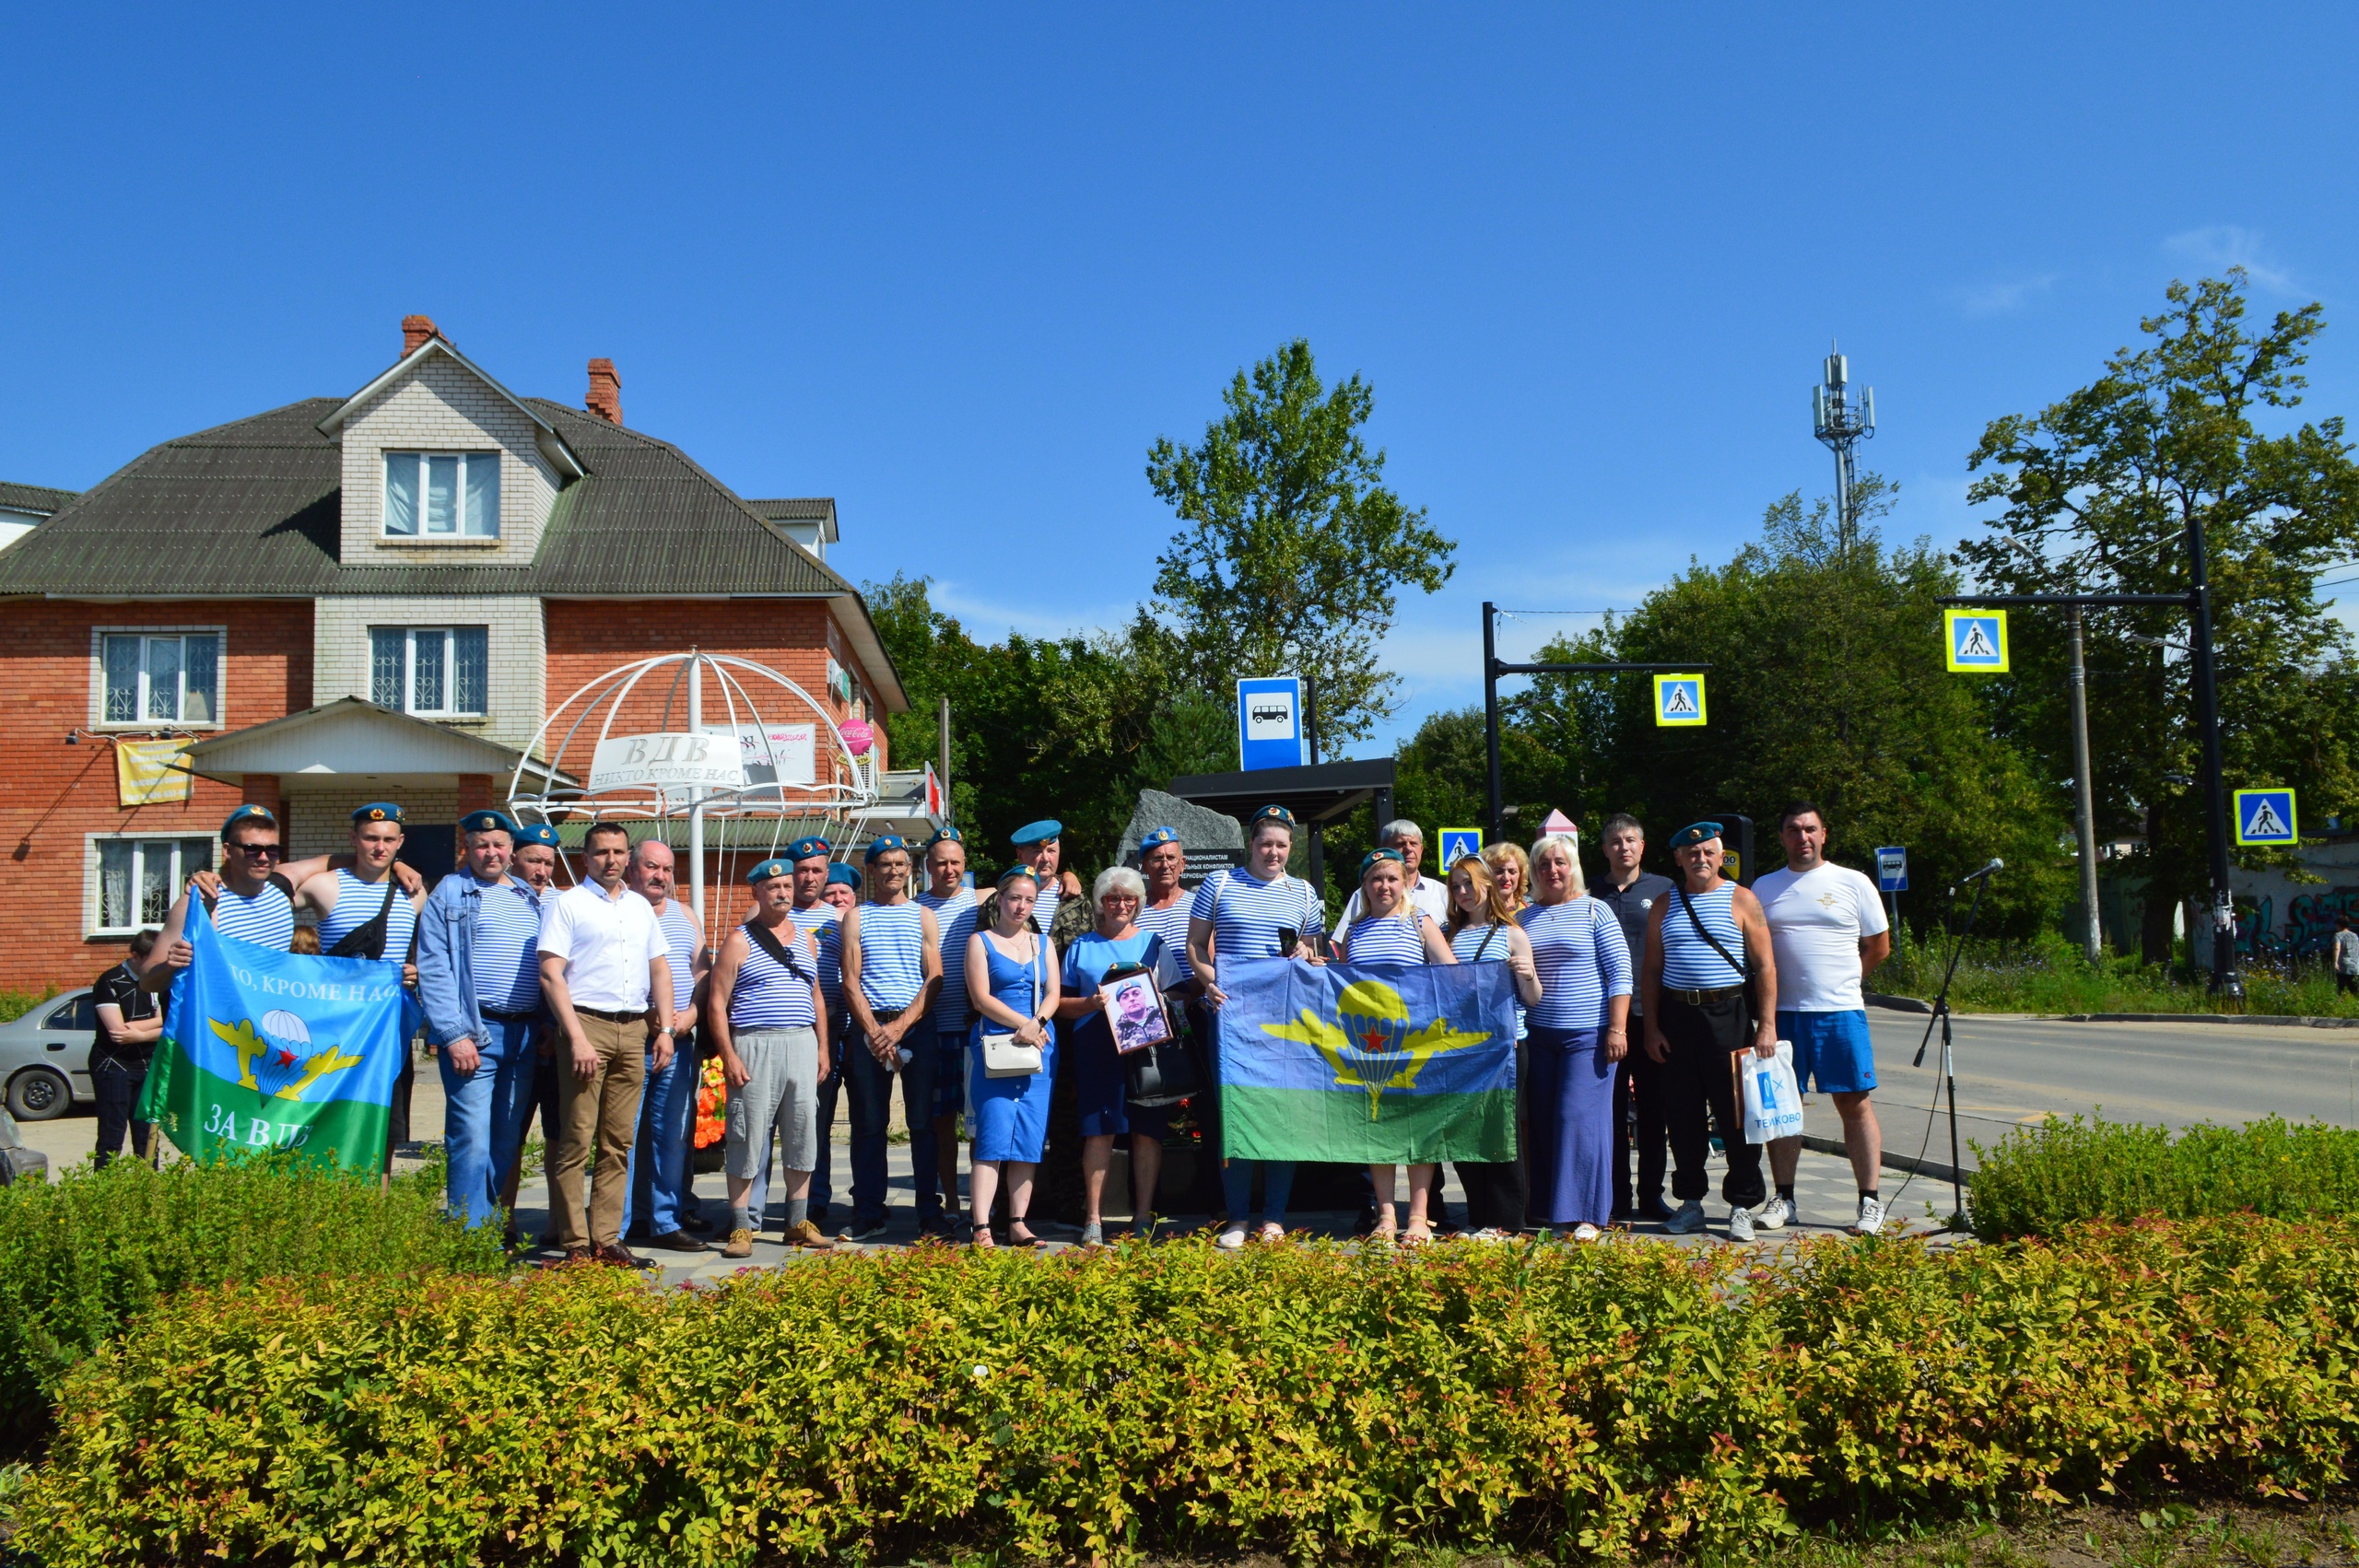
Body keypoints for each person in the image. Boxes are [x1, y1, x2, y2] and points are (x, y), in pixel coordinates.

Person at [537, 820, 675, 1268]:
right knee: (577, 1140)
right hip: (586, 1026)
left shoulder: (639, 907)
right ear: (585, 858)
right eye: (601, 853)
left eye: (618, 852)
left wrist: (667, 1030)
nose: (611, 860)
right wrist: (575, 1038)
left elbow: (660, 969)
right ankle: (575, 1243)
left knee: (619, 1142)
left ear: (627, 857)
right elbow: (550, 972)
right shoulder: (568, 904)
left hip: (634, 1029)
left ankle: (606, 1239)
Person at [1188, 803, 1325, 1250]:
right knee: (1237, 1112)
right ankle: (1237, 1217)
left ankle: (1275, 1217)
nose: (1273, 851)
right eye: (1266, 843)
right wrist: (1209, 983)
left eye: (1282, 844)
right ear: (1252, 843)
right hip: (1231, 1017)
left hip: (1284, 1022)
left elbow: (1309, 951)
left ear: (1291, 847)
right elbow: (1195, 946)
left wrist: (1306, 955)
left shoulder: (1305, 893)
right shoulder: (1219, 883)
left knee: (1282, 1113)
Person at [1753, 802, 1894, 1236]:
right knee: (1782, 1109)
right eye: (1793, 830)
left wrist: (1846, 982)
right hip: (1782, 1016)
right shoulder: (1764, 886)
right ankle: (1785, 1198)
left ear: (1824, 834)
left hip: (1840, 1013)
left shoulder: (1853, 882)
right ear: (1781, 837)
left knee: (1854, 1104)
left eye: (1810, 829)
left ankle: (1869, 1202)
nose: (1803, 838)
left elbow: (1878, 946)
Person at [1640, 822, 1778, 1242]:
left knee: (1737, 1118)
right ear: (1678, 859)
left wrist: (1766, 1026)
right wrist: (1651, 1027)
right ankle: (1691, 1203)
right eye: (1691, 853)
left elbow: (1766, 966)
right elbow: (1651, 970)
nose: (1700, 859)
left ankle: (1741, 1204)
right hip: (1678, 1018)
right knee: (1683, 1118)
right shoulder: (1664, 905)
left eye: (1708, 852)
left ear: (1721, 857)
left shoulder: (1743, 899)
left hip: (1729, 1015)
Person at [416, 809, 547, 1230]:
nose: (491, 852)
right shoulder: (451, 893)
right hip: (476, 1033)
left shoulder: (528, 896)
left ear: (511, 850)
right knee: (471, 1137)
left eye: (499, 845)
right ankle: (469, 1238)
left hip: (525, 1034)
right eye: (481, 845)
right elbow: (434, 968)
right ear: (467, 849)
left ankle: (482, 1224)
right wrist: (453, 1034)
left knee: (505, 1141)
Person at [138, 804, 425, 985]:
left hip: (272, 1028)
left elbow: (334, 860)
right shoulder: (200, 900)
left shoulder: (280, 886)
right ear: (228, 850)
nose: (263, 858)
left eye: (272, 850)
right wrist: (170, 966)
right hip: (220, 1031)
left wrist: (397, 863)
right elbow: (148, 979)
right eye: (252, 849)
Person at [706, 858, 835, 1257]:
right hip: (754, 1044)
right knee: (746, 1136)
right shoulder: (739, 940)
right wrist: (728, 1054)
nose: (782, 893)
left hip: (800, 1043)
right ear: (757, 892)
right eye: (772, 887)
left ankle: (797, 1221)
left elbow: (816, 997)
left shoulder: (808, 940)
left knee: (802, 1134)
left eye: (786, 887)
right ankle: (742, 1226)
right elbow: (715, 1003)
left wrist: (822, 1047)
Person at [1336, 847, 1459, 1242]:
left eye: (1392, 878)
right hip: (1368, 1046)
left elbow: (1451, 973)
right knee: (1378, 1129)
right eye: (1376, 879)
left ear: (1405, 882)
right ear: (1365, 886)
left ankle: (1419, 1218)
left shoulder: (1419, 921)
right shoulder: (1355, 930)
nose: (1384, 885)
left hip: (1413, 1042)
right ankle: (1387, 1218)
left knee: (1420, 1129)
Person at [1516, 835, 1632, 1242]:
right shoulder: (1524, 917)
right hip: (1540, 1036)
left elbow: (1621, 972)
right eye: (1544, 864)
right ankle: (1552, 1211)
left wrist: (1617, 1029)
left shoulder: (1594, 910)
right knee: (1545, 1124)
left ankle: (1588, 1214)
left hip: (1589, 1036)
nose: (1552, 871)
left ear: (1573, 866)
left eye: (1560, 863)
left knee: (1578, 1122)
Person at [299, 803, 428, 1160]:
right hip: (335, 1027)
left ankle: (377, 1209)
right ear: (354, 838)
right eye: (370, 838)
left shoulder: (415, 893)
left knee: (385, 1126)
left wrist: (418, 973)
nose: (379, 847)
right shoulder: (324, 885)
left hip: (389, 1027)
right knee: (329, 1121)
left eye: (388, 840)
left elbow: (429, 955)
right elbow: (268, 883)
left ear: (401, 841)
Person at [1055, 865, 1171, 1245]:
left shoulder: (1154, 943)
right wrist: (1090, 1003)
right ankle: (1093, 1221)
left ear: (1138, 903)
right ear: (1100, 903)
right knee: (1099, 1134)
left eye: (1128, 898)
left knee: (1147, 1134)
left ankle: (1141, 1218)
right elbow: (1059, 1004)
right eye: (1112, 898)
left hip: (1145, 1052)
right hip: (1096, 1049)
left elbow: (1183, 992)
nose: (1120, 904)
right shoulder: (1082, 947)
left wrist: (1164, 1002)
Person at [838, 835, 944, 1241]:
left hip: (915, 1025)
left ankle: (928, 1213)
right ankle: (868, 1211)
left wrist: (899, 1028)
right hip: (869, 1028)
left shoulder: (923, 916)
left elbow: (934, 978)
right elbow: (850, 980)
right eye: (886, 864)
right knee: (868, 1124)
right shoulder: (856, 917)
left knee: (922, 1124)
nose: (894, 871)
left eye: (901, 864)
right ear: (872, 870)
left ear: (910, 870)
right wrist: (875, 1032)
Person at [1442, 854, 1543, 1237]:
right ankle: (1478, 1216)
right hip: (1463, 1051)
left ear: (1487, 884)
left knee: (1502, 1134)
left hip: (1506, 1049)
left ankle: (1505, 1222)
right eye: (1456, 886)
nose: (1463, 892)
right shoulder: (1449, 934)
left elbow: (1533, 998)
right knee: (1467, 1135)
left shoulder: (1513, 934)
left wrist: (1529, 974)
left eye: (1469, 883)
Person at [622, 838, 713, 1252]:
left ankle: (664, 1220)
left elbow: (702, 972)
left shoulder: (685, 913)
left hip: (678, 1041)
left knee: (670, 1133)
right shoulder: (618, 908)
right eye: (650, 867)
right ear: (631, 868)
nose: (659, 876)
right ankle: (617, 1227)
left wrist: (691, 1015)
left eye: (667, 869)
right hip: (631, 1037)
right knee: (623, 1134)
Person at [966, 864, 1060, 1247]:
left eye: (1029, 900)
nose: (1021, 906)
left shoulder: (1044, 943)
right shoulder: (980, 941)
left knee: (1028, 1138)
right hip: (996, 1046)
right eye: (1015, 898)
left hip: (1039, 1047)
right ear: (1000, 900)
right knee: (992, 1136)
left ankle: (1019, 1221)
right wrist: (1024, 1023)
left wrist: (1037, 1022)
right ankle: (981, 1226)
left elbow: (1053, 992)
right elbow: (981, 998)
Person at [1591, 813, 1675, 1222]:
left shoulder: (1665, 889)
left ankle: (1651, 1194)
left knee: (1653, 1110)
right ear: (1605, 849)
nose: (1623, 847)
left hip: (1652, 1015)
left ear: (1642, 847)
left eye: (1631, 840)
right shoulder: (1590, 891)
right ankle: (1615, 1195)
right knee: (1609, 1110)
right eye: (1615, 841)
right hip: (1603, 1020)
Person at [497, 822, 567, 1236]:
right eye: (533, 861)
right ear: (513, 858)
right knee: (512, 1132)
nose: (541, 870)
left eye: (548, 862)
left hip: (558, 1036)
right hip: (515, 1032)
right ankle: (503, 1222)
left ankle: (560, 1225)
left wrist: (554, 1025)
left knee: (561, 1134)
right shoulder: (499, 898)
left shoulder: (564, 903)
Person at [918, 828, 980, 1231]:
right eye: (941, 862)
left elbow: (1032, 888)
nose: (949, 869)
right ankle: (951, 1200)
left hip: (975, 1030)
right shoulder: (913, 907)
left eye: (956, 861)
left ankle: (979, 1202)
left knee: (977, 1124)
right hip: (933, 1029)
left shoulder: (983, 901)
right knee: (941, 1123)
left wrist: (1066, 880)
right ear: (928, 867)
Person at [90, 929, 163, 1166]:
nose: (155, 965)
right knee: (113, 1134)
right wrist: (157, 1025)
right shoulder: (111, 980)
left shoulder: (157, 982)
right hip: (114, 1065)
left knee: (147, 1135)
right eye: (150, 959)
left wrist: (141, 1034)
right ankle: (106, 1189)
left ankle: (148, 1188)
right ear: (135, 955)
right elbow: (119, 1033)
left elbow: (171, 1024)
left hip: (147, 1064)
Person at [1338, 820, 1453, 928]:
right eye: (1400, 844)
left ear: (1421, 849)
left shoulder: (1441, 892)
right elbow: (1344, 940)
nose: (1408, 849)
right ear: (1384, 848)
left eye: (1413, 843)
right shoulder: (1365, 895)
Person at [1483, 841, 1533, 915]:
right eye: (1499, 871)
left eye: (1512, 871)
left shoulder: (1531, 912)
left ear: (1521, 875)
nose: (1506, 878)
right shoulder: (1476, 915)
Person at [2336, 917, 2359, 997]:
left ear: (2339, 925)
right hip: (2355, 966)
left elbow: (2337, 948)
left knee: (2340, 988)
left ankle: (2339, 1005)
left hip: (2343, 966)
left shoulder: (2338, 935)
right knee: (2354, 989)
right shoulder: (2355, 936)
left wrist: (2335, 962)